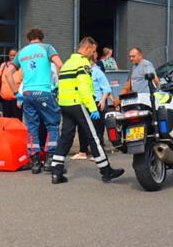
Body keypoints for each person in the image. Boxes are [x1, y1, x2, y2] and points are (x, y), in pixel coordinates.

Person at [50, 37, 124, 185]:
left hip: (65, 104)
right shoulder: (83, 63)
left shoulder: (67, 64)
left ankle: (56, 172)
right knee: (94, 137)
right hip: (79, 104)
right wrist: (92, 108)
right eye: (94, 51)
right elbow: (84, 88)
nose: (94, 54)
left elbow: (60, 86)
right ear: (87, 49)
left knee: (65, 137)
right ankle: (106, 171)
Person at [9, 27, 63, 174]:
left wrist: (16, 93)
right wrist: (57, 85)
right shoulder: (46, 48)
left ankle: (35, 161)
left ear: (28, 40)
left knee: (32, 126)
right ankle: (50, 158)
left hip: (27, 93)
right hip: (44, 91)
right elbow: (60, 65)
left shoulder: (21, 53)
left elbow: (9, 73)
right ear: (41, 38)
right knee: (52, 124)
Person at [72, 55, 113, 159]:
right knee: (82, 127)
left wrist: (103, 101)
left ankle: (99, 152)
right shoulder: (83, 72)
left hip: (97, 102)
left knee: (97, 128)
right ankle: (83, 151)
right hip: (86, 102)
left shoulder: (98, 72)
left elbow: (106, 88)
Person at [0, 48, 22, 120]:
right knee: (6, 119)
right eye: (11, 55)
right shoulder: (3, 65)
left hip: (17, 99)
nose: (13, 57)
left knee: (17, 119)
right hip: (5, 97)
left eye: (14, 55)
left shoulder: (21, 67)